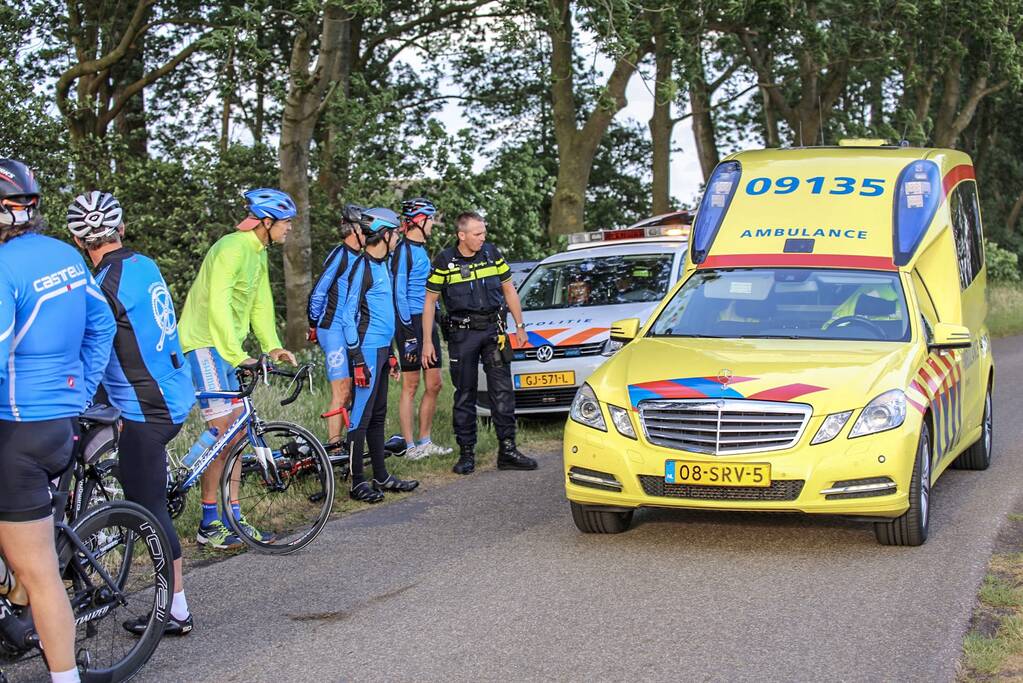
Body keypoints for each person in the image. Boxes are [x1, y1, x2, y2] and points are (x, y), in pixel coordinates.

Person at [0, 159, 116, 683]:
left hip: (15, 431)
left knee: (41, 574)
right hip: (57, 425)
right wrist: (81, 387)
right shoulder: (65, 255)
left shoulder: (3, 269)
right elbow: (102, 323)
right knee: (32, 567)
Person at [66, 191, 196, 636]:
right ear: (120, 229)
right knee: (142, 490)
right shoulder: (145, 264)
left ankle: (174, 610)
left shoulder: (99, 287)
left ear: (79, 240)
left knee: (149, 509)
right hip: (173, 393)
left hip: (144, 409)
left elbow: (93, 355)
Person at [177, 188, 298, 550]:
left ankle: (230, 518)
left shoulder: (257, 253)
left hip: (225, 349)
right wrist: (235, 354)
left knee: (234, 436)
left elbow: (260, 304)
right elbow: (216, 304)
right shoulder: (232, 248)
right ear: (266, 222)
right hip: (204, 344)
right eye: (287, 221)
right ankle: (183, 485)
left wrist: (270, 345)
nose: (290, 227)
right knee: (222, 429)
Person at [421, 212, 537, 475]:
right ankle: (466, 454)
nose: (483, 238)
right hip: (463, 335)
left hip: (493, 332)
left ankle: (507, 449)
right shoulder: (445, 261)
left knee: (502, 391)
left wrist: (520, 327)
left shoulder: (492, 253)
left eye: (484, 233)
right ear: (462, 235)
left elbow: (509, 290)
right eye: (477, 234)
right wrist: (428, 342)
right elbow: (429, 302)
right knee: (465, 394)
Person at [342, 208, 419, 503]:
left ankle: (381, 475)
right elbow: (348, 317)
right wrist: (358, 360)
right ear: (384, 234)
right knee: (360, 418)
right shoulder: (361, 267)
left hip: (382, 350)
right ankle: (357, 482)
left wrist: (392, 354)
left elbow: (384, 314)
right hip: (366, 350)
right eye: (396, 233)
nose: (398, 237)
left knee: (377, 415)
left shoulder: (383, 265)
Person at [391, 197, 452, 459]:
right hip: (410, 323)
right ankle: (409, 446)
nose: (432, 225)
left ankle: (425, 441)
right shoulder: (403, 251)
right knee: (411, 385)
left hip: (427, 321)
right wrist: (407, 336)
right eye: (430, 220)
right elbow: (399, 294)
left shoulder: (421, 250)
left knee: (435, 383)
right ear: (419, 220)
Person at [307, 204, 364, 448]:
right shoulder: (340, 255)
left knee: (350, 392)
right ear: (354, 230)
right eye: (365, 228)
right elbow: (318, 292)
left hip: (349, 330)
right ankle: (333, 449)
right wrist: (313, 324)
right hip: (332, 329)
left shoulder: (361, 257)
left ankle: (346, 446)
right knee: (341, 391)